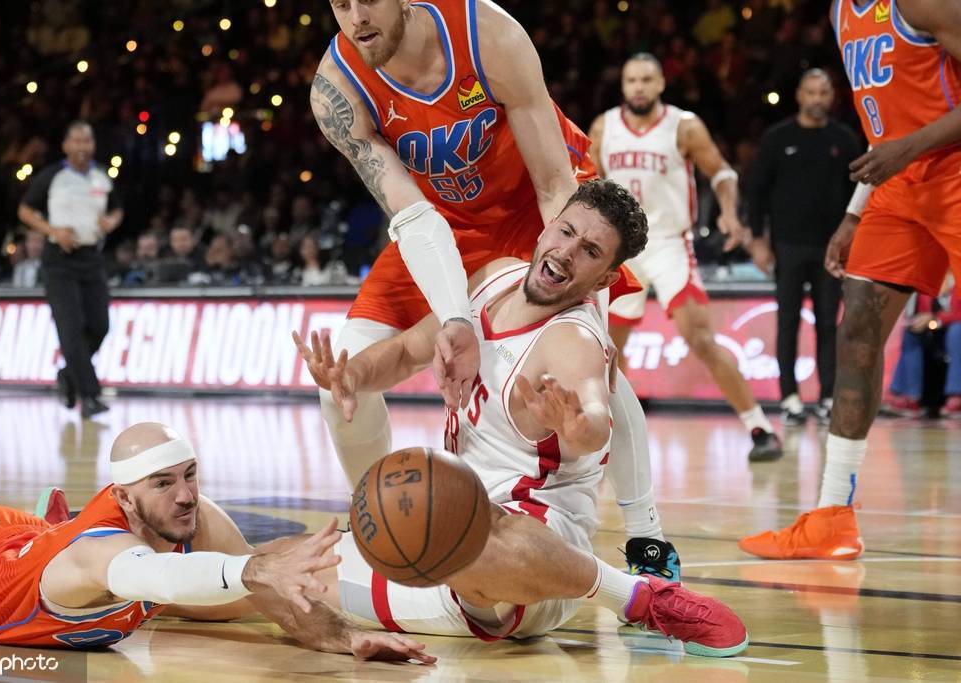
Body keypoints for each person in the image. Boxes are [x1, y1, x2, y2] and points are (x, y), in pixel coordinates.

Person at [295, 180, 748, 656]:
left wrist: (580, 427)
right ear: (545, 229)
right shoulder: (492, 278)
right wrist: (352, 375)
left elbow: (595, 410)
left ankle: (643, 600)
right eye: (566, 232)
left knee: (475, 532)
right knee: (278, 570)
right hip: (453, 551)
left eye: (590, 251)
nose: (567, 253)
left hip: (532, 562)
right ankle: (625, 592)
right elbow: (409, 350)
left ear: (604, 282)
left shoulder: (573, 340)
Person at [314, 0, 680, 580]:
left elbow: (553, 180)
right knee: (340, 378)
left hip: (542, 210)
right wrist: (456, 318)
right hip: (441, 224)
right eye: (340, 3)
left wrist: (581, 305)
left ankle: (648, 542)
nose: (356, 17)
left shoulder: (485, 32)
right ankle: (384, 530)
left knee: (590, 364)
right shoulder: (337, 89)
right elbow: (413, 217)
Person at [739, 0, 961, 560]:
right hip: (897, 186)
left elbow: (901, 139)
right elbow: (881, 128)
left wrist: (909, 148)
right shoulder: (842, 12)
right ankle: (832, 518)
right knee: (856, 329)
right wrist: (855, 213)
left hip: (953, 172)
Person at [0, 425, 434, 663]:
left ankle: (37, 526)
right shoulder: (99, 554)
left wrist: (346, 637)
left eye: (190, 475)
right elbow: (159, 576)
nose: (185, 496)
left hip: (10, 537)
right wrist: (254, 569)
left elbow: (272, 593)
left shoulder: (192, 514)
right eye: (163, 483)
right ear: (124, 499)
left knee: (239, 589)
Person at [588, 53, 782, 462]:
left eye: (646, 79)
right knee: (606, 349)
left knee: (701, 338)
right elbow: (587, 184)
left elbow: (723, 172)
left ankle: (760, 427)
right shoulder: (604, 127)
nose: (638, 87)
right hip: (621, 248)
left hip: (669, 243)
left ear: (661, 83)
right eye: (631, 80)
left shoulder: (684, 125)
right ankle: (604, 437)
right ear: (623, 86)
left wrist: (730, 213)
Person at [747, 69, 862, 425]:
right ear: (799, 95)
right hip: (788, 246)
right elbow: (757, 192)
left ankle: (827, 397)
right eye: (810, 92)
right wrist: (758, 240)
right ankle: (790, 398)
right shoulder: (777, 138)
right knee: (788, 322)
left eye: (823, 92)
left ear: (832, 96)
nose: (816, 99)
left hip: (831, 249)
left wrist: (853, 241)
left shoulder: (844, 139)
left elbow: (858, 196)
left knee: (829, 323)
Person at [18, 121, 121, 419]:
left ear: (93, 144)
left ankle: (68, 375)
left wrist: (111, 221)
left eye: (86, 140)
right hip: (59, 260)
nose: (81, 146)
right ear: (65, 145)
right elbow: (25, 210)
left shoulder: (101, 176)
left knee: (100, 326)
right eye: (76, 140)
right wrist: (53, 231)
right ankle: (90, 396)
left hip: (91, 257)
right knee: (71, 329)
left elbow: (117, 208)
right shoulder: (53, 176)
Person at [883, 284, 961, 418]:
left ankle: (957, 395)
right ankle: (910, 396)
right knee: (911, 333)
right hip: (936, 333)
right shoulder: (928, 284)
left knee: (956, 332)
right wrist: (921, 322)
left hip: (954, 331)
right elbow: (921, 314)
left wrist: (936, 319)